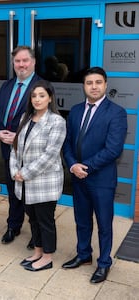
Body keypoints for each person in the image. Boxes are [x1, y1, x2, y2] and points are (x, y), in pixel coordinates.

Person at [62, 67, 127, 283]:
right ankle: (83, 255)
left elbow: (113, 150)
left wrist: (84, 167)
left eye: (98, 82)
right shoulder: (76, 110)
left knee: (104, 223)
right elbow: (68, 143)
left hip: (101, 180)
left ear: (106, 85)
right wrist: (72, 166)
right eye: (89, 83)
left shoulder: (116, 112)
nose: (94, 86)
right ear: (84, 86)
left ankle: (104, 263)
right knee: (81, 220)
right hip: (78, 177)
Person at [10, 80, 66, 271]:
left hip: (44, 181)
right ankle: (38, 251)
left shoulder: (57, 121)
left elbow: (50, 155)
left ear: (50, 98)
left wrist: (24, 173)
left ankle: (48, 257)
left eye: (42, 95)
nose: (37, 99)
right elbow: (15, 147)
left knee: (45, 220)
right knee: (32, 219)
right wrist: (14, 171)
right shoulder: (26, 117)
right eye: (34, 96)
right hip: (24, 182)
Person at [0, 45, 42, 247]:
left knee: (33, 195)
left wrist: (18, 137)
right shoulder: (7, 85)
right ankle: (13, 225)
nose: (21, 65)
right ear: (13, 64)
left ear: (33, 62)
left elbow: (44, 121)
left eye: (25, 60)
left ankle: (36, 233)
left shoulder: (42, 86)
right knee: (13, 191)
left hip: (31, 153)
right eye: (17, 61)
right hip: (8, 150)